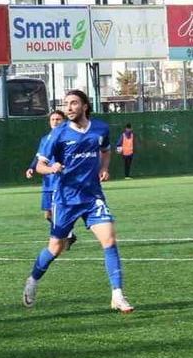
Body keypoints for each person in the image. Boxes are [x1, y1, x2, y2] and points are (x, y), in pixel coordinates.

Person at [25, 90, 134, 313]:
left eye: (73, 103)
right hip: (66, 199)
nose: (69, 108)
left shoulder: (100, 128)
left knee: (110, 240)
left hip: (93, 196)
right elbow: (39, 166)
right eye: (66, 104)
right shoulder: (58, 134)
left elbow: (105, 151)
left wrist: (104, 168)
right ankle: (33, 280)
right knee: (55, 248)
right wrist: (51, 168)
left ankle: (117, 295)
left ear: (85, 106)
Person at [26, 110, 77, 251]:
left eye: (58, 119)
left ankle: (59, 239)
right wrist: (31, 167)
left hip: (60, 181)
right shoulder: (46, 139)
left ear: (64, 121)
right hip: (48, 181)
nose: (55, 122)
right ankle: (69, 234)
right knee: (47, 214)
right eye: (53, 119)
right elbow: (39, 157)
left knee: (59, 212)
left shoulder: (69, 138)